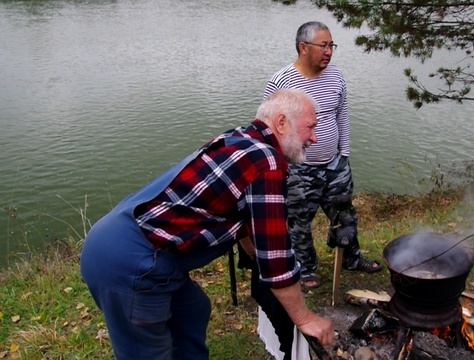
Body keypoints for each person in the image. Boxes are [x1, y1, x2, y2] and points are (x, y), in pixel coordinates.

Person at [80, 89, 334, 359]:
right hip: (130, 262)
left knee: (193, 310)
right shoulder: (267, 162)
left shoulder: (238, 138)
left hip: (122, 236)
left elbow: (247, 224)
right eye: (311, 127)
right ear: (282, 123)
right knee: (146, 351)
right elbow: (276, 260)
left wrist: (258, 262)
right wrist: (305, 319)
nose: (315, 138)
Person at [264, 21, 382, 290]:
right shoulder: (282, 81)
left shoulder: (337, 77)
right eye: (323, 45)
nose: (329, 51)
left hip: (335, 164)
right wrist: (278, 164)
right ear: (303, 47)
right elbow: (268, 124)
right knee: (299, 222)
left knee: (345, 215)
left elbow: (342, 114)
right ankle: (305, 269)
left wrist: (345, 153)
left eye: (332, 45)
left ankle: (352, 258)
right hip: (298, 169)